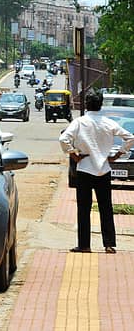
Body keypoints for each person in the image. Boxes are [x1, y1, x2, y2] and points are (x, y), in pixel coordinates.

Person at [59, 91, 134, 254]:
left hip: (85, 167)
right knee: (105, 207)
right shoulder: (108, 122)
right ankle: (109, 244)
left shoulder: (79, 122)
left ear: (87, 104)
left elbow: (63, 139)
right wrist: (118, 154)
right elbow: (130, 137)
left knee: (83, 208)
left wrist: (73, 154)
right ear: (101, 105)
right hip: (104, 168)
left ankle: (84, 245)